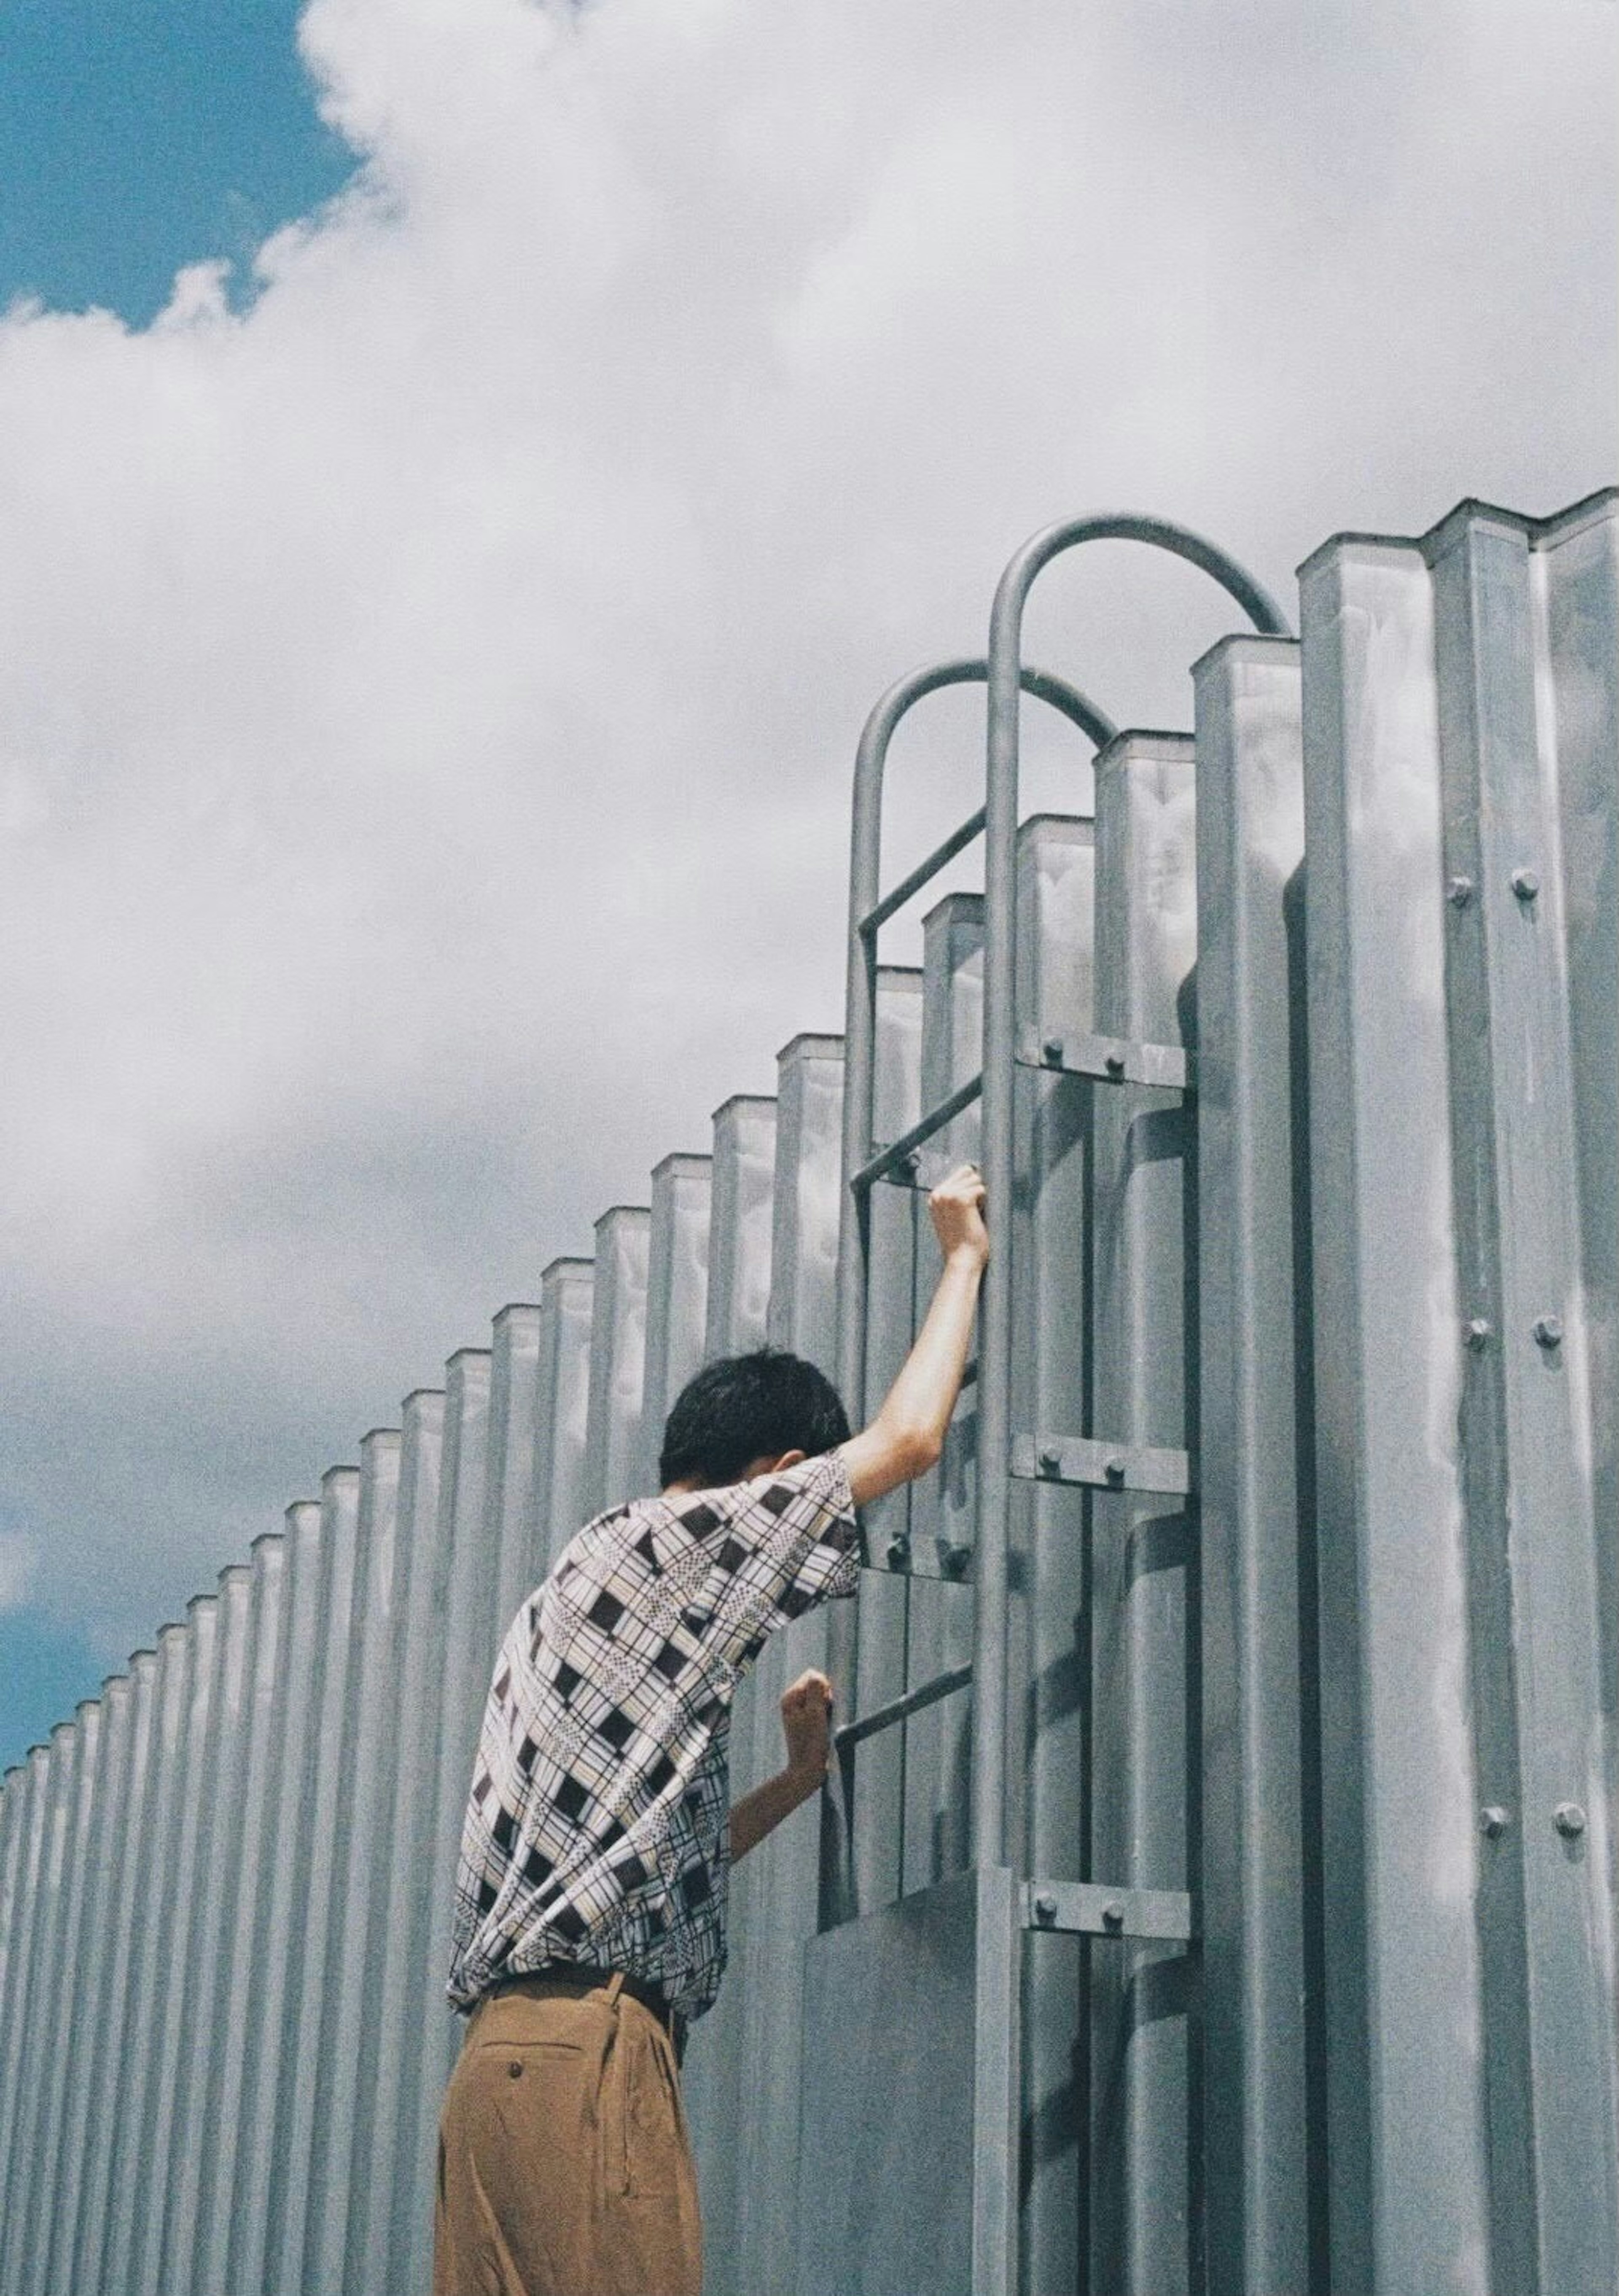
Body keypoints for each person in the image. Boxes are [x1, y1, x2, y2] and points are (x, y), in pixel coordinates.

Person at [433, 1161, 990, 2296]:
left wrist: (794, 1781)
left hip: (504, 2076)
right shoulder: (666, 1548)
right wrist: (963, 1256)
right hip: (587, 2060)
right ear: (773, 1477)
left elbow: (628, 1865)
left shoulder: (573, 1591)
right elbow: (909, 1441)